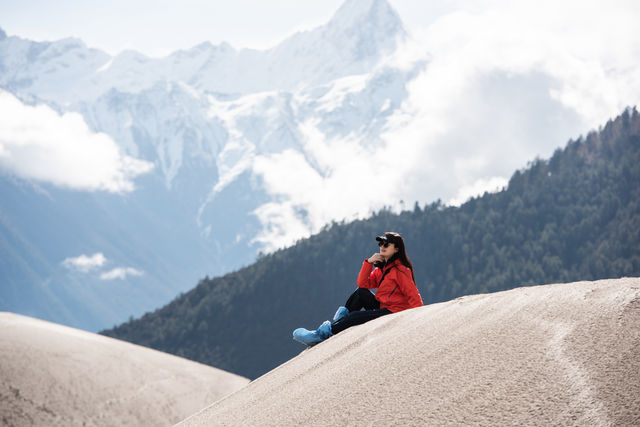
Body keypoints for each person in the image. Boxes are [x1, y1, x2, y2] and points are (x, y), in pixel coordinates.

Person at [293, 231, 424, 347]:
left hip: (394, 311)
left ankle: (322, 334)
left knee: (355, 317)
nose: (381, 247)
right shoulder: (382, 268)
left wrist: (421, 318)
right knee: (360, 293)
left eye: (386, 244)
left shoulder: (401, 270)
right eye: (380, 244)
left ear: (396, 249)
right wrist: (369, 263)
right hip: (383, 306)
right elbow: (363, 284)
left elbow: (413, 294)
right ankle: (337, 324)